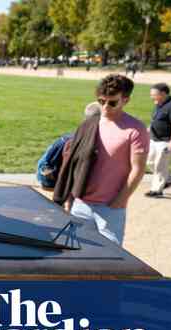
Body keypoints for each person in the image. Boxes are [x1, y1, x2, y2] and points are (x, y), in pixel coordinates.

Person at [53, 74, 149, 246]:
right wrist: (70, 197)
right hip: (80, 202)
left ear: (125, 100)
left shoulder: (135, 129)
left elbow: (138, 169)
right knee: (77, 250)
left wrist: (120, 200)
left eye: (112, 102)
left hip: (110, 207)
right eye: (101, 101)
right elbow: (73, 163)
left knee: (111, 255)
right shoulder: (89, 124)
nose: (105, 106)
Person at [145, 83, 171, 198]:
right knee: (149, 162)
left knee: (159, 165)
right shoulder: (158, 103)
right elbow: (156, 119)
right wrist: (149, 130)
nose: (151, 96)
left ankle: (156, 190)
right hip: (155, 138)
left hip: (167, 140)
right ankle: (169, 179)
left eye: (154, 94)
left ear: (163, 93)